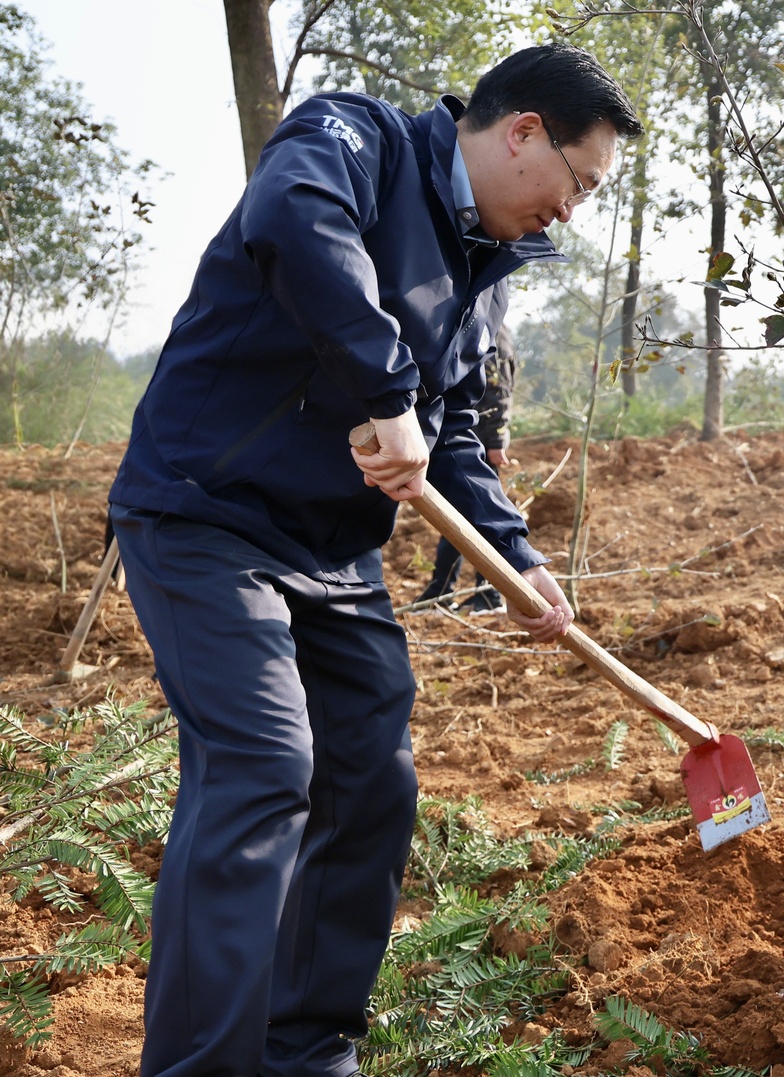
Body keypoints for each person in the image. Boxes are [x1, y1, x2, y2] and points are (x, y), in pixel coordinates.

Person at [107, 44, 640, 1077]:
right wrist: (385, 390)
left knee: (371, 781)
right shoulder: (357, 140)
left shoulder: (485, 263)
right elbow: (295, 219)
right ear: (523, 131)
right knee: (264, 767)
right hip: (205, 514)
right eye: (579, 183)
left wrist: (515, 558)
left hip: (328, 552)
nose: (574, 212)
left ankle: (306, 1049)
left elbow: (453, 439)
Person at [420, 281, 517, 611]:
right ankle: (442, 590)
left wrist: (496, 440)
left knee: (479, 514)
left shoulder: (492, 328)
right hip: (465, 434)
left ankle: (488, 592)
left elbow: (498, 388)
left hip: (477, 438)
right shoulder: (470, 320)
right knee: (457, 515)